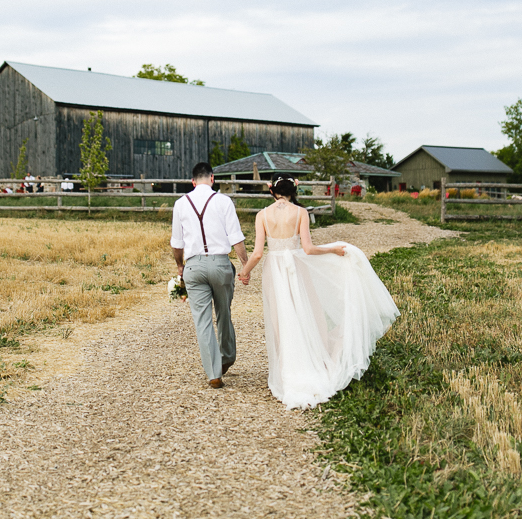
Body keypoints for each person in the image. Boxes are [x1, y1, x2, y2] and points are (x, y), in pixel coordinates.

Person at [237, 176, 400, 409]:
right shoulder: (300, 213)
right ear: (293, 190)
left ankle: (287, 372)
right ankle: (313, 364)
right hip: (297, 267)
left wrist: (245, 272)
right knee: (307, 313)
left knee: (280, 319)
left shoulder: (261, 215)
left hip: (274, 270)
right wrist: (333, 249)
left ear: (271, 190)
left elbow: (257, 254)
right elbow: (309, 249)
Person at [171, 161, 249, 389]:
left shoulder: (180, 204)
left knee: (202, 320)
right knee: (223, 313)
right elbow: (236, 238)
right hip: (220, 264)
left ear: (192, 182)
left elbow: (177, 243)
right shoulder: (224, 202)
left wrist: (180, 267)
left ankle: (213, 373)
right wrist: (245, 265)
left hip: (193, 267)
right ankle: (227, 357)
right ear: (212, 178)